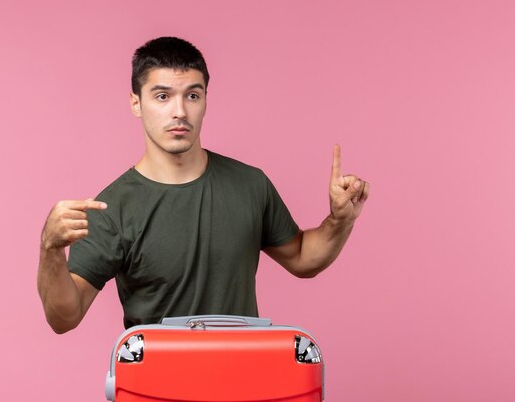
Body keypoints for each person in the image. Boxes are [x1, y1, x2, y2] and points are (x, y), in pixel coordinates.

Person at [37, 37, 369, 332]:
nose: (179, 111)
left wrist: (340, 220)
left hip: (242, 383)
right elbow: (64, 317)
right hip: (157, 386)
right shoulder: (110, 210)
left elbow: (301, 258)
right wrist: (50, 249)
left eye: (192, 95)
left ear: (205, 100)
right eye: (162, 96)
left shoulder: (250, 184)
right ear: (136, 103)